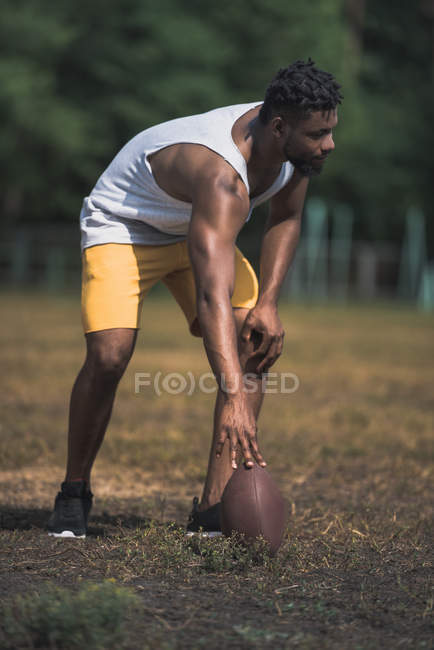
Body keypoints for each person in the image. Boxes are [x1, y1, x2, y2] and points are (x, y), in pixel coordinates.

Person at [47, 59, 342, 538]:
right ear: (280, 127)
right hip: (126, 226)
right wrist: (231, 394)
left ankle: (210, 510)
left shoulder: (296, 152)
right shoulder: (221, 172)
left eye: (330, 131)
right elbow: (212, 299)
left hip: (196, 229)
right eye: (318, 135)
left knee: (255, 340)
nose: (329, 143)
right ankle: (73, 492)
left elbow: (285, 219)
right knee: (109, 355)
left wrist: (268, 302)